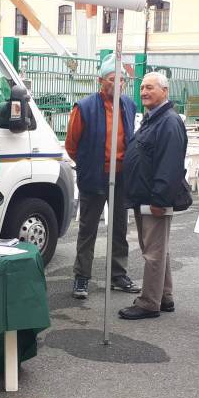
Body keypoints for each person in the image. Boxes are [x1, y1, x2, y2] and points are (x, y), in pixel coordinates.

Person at [64, 53, 140, 299]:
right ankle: (82, 277)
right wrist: (88, 166)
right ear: (101, 81)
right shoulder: (84, 107)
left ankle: (118, 275)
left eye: (122, 80)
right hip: (94, 177)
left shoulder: (129, 105)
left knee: (119, 228)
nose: (117, 84)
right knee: (88, 230)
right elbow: (71, 144)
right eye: (112, 79)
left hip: (121, 178)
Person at [118, 71, 187, 320]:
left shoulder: (168, 121)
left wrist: (159, 200)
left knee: (153, 252)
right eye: (142, 87)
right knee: (158, 249)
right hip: (144, 196)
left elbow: (170, 166)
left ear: (165, 91)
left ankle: (149, 302)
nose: (144, 92)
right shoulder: (152, 119)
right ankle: (164, 296)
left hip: (154, 199)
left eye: (150, 88)